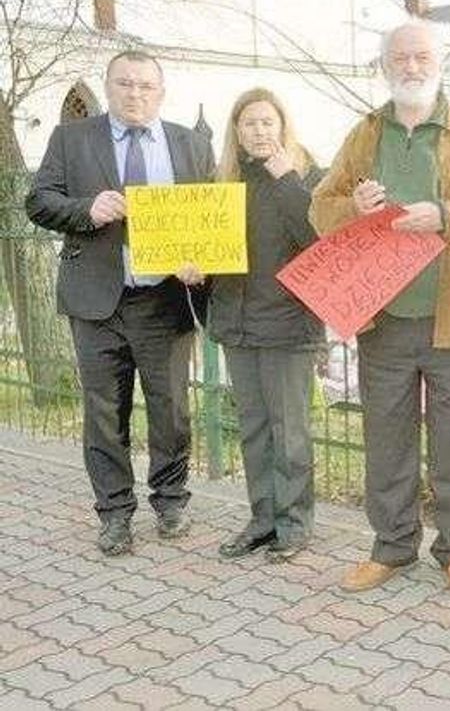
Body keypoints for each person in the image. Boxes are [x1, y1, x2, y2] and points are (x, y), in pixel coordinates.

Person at [310, 18, 450, 597]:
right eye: (399, 57)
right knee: (387, 439)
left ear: (440, 62)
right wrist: (353, 207)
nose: (411, 66)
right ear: (384, 66)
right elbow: (319, 207)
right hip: (384, 317)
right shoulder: (365, 135)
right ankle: (392, 546)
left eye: (421, 56)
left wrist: (446, 215)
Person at [26, 50, 214, 556]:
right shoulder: (71, 138)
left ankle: (170, 500)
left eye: (145, 86)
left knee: (171, 410)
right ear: (108, 87)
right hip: (97, 301)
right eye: (125, 84)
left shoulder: (191, 144)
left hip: (165, 299)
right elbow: (38, 201)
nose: (135, 94)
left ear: (161, 92)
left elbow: (212, 218)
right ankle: (114, 513)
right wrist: (86, 209)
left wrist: (201, 261)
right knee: (104, 414)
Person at [176, 88, 324, 563]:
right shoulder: (222, 183)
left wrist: (287, 180)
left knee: (290, 432)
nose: (259, 131)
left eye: (267, 122)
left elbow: (319, 240)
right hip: (238, 323)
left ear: (282, 125)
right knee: (254, 430)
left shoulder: (308, 176)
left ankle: (294, 523)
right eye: (249, 123)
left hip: (288, 325)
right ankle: (263, 520)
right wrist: (196, 271)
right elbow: (210, 251)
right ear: (236, 132)